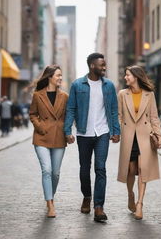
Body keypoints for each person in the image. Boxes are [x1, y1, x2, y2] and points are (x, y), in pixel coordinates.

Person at [64, 53, 120, 222]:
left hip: (102, 132)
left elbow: (113, 110)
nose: (104, 67)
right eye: (101, 65)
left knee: (100, 168)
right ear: (92, 66)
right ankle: (87, 196)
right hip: (83, 132)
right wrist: (67, 131)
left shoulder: (109, 85)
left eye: (105, 64)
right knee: (84, 168)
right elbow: (71, 109)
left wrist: (116, 130)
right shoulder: (77, 85)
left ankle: (98, 207)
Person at [117, 65, 161, 220]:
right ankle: (130, 194)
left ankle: (139, 204)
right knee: (130, 170)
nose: (125, 77)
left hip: (144, 137)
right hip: (129, 137)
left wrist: (159, 135)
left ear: (136, 77)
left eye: (128, 75)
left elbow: (154, 117)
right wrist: (121, 129)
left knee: (143, 171)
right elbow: (119, 115)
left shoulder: (149, 95)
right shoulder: (122, 94)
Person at [29, 65, 68, 218]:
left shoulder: (64, 96)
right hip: (42, 136)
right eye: (58, 75)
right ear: (50, 77)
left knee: (56, 173)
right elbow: (33, 114)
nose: (60, 78)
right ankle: (50, 203)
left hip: (59, 137)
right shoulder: (38, 95)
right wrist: (40, 127)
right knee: (47, 170)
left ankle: (50, 196)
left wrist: (68, 132)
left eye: (61, 75)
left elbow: (68, 116)